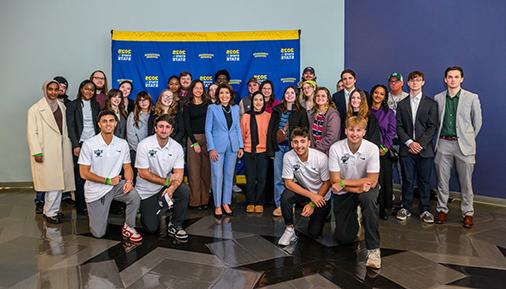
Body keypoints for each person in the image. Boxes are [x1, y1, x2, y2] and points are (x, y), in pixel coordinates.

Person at [78, 110, 141, 241]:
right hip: (96, 190)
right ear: (99, 124)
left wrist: (129, 181)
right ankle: (97, 216)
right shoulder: (89, 144)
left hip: (116, 185)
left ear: (116, 123)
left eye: (111, 121)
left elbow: (127, 166)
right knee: (99, 233)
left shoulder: (122, 143)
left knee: (134, 195)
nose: (108, 124)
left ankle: (129, 226)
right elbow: (83, 173)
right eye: (104, 121)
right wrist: (107, 181)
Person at [329, 116, 381, 269]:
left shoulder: (372, 148)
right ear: (345, 131)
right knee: (344, 238)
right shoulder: (336, 148)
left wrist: (344, 182)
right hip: (347, 191)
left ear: (364, 132)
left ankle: (373, 250)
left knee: (369, 201)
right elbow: (334, 180)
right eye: (351, 130)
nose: (354, 133)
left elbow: (372, 180)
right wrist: (355, 187)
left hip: (365, 189)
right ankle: (355, 218)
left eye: (359, 130)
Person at [434, 66, 482, 228]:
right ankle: (442, 209)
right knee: (442, 181)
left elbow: (478, 123)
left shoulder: (472, 97)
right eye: (449, 77)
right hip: (443, 144)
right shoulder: (438, 98)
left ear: (462, 79)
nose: (453, 79)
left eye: (456, 77)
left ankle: (468, 213)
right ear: (445, 80)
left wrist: (467, 138)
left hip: (465, 146)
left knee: (466, 182)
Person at [27, 80, 75, 223]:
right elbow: (31, 133)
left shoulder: (62, 106)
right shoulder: (35, 109)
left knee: (60, 182)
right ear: (45, 90)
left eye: (56, 89)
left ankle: (52, 210)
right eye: (50, 89)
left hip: (61, 148)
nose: (53, 92)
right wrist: (36, 151)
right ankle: (50, 213)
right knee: (51, 183)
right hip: (45, 149)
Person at [135, 114, 189, 239]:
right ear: (155, 128)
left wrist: (171, 189)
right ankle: (155, 209)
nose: (164, 130)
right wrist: (166, 182)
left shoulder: (177, 147)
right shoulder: (144, 145)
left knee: (184, 190)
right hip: (146, 191)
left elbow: (179, 174)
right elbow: (143, 173)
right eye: (161, 126)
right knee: (151, 228)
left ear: (172, 130)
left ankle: (175, 224)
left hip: (165, 188)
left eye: (167, 127)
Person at [396, 71, 439, 224]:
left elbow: (432, 127)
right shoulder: (402, 104)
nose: (415, 83)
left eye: (418, 80)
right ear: (408, 83)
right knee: (407, 179)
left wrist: (420, 144)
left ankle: (425, 209)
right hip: (407, 149)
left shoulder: (431, 104)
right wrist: (410, 143)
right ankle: (405, 207)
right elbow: (399, 127)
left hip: (424, 149)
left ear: (423, 82)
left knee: (424, 181)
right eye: (412, 80)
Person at [277, 127, 331, 246]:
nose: (299, 145)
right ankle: (289, 229)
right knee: (286, 196)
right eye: (295, 142)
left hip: (322, 196)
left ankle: (326, 213)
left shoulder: (321, 157)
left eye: (302, 141)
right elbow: (288, 183)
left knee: (314, 233)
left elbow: (327, 183)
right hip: (307, 193)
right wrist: (311, 197)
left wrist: (312, 203)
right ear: (291, 143)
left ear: (309, 143)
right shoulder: (288, 156)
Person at [267, 86, 309, 217]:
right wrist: (271, 150)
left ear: (296, 95)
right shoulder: (277, 110)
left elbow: (305, 131)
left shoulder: (301, 111)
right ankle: (280, 205)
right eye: (287, 92)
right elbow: (270, 131)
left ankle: (290, 204)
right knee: (279, 177)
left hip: (294, 150)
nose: (289, 95)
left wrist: (302, 149)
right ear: (284, 95)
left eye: (292, 93)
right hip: (278, 148)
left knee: (293, 178)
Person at [205, 83, 244, 217]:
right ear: (217, 95)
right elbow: (208, 130)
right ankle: (217, 205)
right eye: (221, 93)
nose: (224, 96)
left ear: (231, 95)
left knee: (228, 176)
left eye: (227, 93)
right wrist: (211, 148)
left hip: (232, 147)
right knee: (217, 176)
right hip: (217, 147)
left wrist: (240, 146)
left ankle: (226, 203)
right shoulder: (212, 108)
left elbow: (237, 128)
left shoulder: (235, 108)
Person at [66, 80, 100, 215]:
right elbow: (71, 126)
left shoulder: (96, 105)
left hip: (94, 143)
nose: (89, 92)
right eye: (86, 89)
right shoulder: (73, 105)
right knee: (80, 175)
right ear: (81, 89)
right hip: (80, 144)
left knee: (94, 174)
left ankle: (92, 202)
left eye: (92, 90)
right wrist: (75, 145)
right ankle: (81, 206)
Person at [241, 91, 271, 213]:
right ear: (252, 102)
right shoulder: (245, 116)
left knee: (262, 178)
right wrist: (241, 148)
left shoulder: (268, 116)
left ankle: (259, 202)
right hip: (248, 151)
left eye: (261, 100)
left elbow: (270, 135)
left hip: (263, 152)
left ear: (264, 102)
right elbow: (242, 134)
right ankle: (250, 201)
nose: (258, 102)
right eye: (256, 100)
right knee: (250, 178)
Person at [369, 85, 396, 219]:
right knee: (369, 180)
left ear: (385, 97)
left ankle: (383, 209)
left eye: (381, 94)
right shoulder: (366, 110)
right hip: (367, 151)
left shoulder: (389, 112)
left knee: (384, 181)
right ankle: (369, 207)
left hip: (383, 152)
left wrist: (385, 148)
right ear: (372, 94)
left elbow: (391, 132)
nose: (378, 95)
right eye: (376, 93)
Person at [184, 80, 211, 209]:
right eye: (196, 88)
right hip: (193, 139)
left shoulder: (208, 104)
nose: (198, 90)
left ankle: (205, 200)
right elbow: (187, 125)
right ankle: (195, 201)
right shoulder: (187, 105)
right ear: (192, 89)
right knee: (194, 172)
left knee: (206, 171)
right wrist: (194, 143)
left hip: (208, 138)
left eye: (201, 88)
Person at [126, 91, 153, 179]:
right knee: (138, 176)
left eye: (145, 100)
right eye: (140, 100)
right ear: (137, 103)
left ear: (149, 100)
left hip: (152, 151)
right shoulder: (133, 115)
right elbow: (131, 136)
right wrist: (140, 151)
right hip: (136, 150)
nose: (143, 102)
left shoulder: (155, 113)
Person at [308, 87, 341, 155]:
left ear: (328, 99)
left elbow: (332, 137)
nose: (320, 98)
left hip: (327, 152)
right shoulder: (312, 114)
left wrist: (316, 149)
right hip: (314, 151)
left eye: (323, 96)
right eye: (318, 96)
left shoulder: (333, 114)